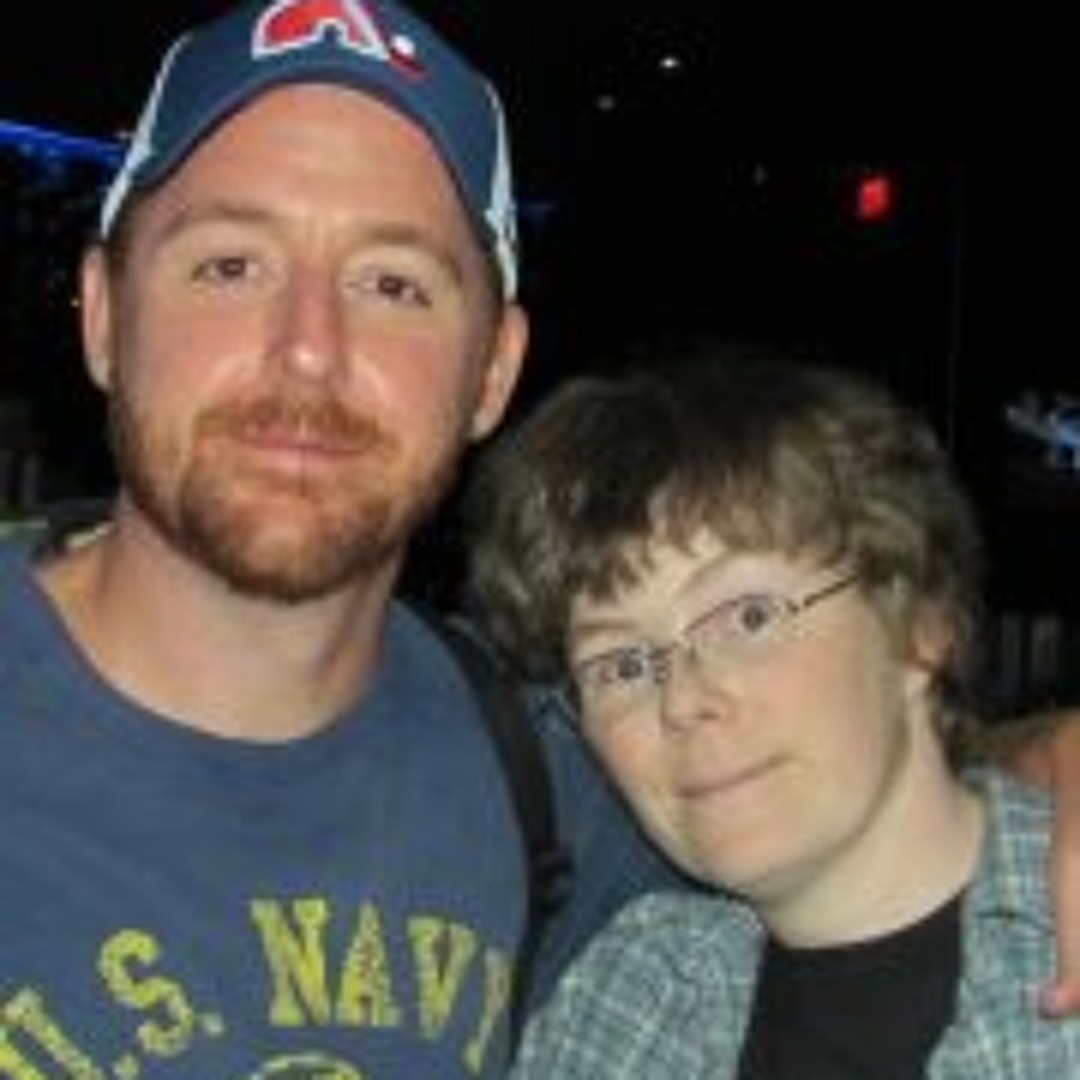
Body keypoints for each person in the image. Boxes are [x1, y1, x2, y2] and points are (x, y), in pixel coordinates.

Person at [0, 1, 1077, 1077]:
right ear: (102, 314)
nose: (310, 350)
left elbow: (859, 781)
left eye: (394, 284)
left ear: (494, 372)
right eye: (231, 265)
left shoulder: (555, 776)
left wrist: (1053, 768)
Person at [463, 347, 1080, 1077]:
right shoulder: (631, 998)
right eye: (621, 665)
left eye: (748, 618)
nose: (681, 701)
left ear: (919, 625)